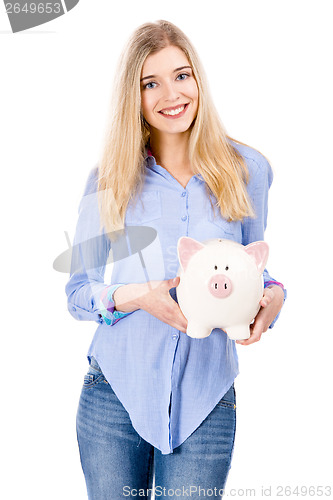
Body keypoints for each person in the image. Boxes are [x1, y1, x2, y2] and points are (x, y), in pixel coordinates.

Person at [65, 19, 286, 500]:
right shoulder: (109, 178)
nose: (172, 94)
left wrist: (274, 297)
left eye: (182, 75)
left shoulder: (247, 170)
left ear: (198, 81)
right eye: (151, 82)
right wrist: (141, 297)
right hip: (113, 396)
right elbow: (78, 294)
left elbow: (253, 268)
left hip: (206, 399)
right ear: (136, 98)